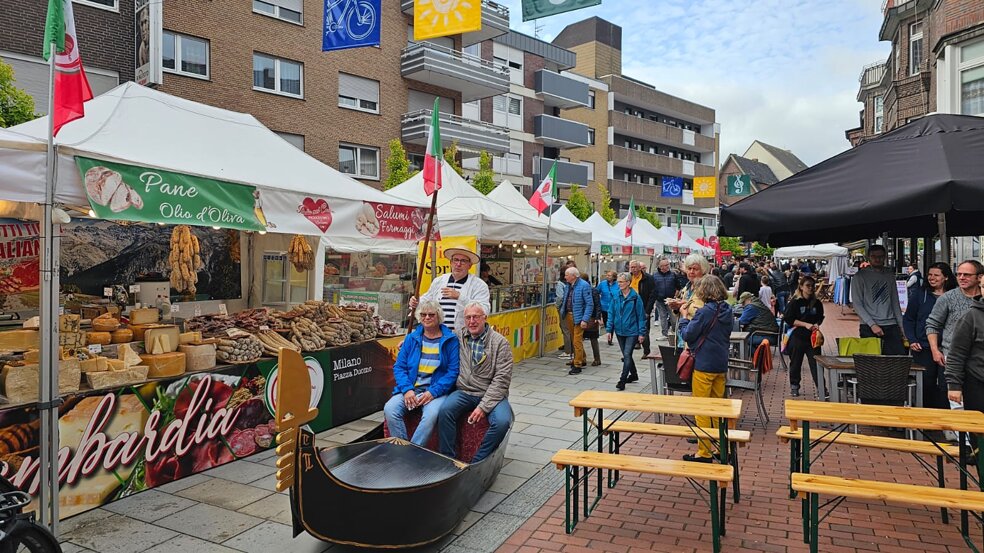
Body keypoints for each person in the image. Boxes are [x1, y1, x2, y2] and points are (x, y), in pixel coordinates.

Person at [437, 302, 513, 463]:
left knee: (502, 422)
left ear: (485, 318)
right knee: (445, 411)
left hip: (491, 393)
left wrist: (483, 407)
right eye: (468, 317)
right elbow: (434, 333)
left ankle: (478, 462)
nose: (472, 321)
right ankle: (447, 460)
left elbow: (502, 380)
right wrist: (408, 340)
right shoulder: (458, 337)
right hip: (464, 391)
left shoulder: (500, 343)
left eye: (476, 317)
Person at [383, 300, 460, 446]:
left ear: (439, 316)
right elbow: (399, 367)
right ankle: (403, 449)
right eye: (423, 314)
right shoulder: (411, 338)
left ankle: (413, 450)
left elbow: (452, 372)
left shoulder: (451, 340)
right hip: (411, 388)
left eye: (431, 314)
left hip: (436, 391)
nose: (427, 317)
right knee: (390, 409)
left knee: (431, 416)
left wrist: (433, 392)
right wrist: (407, 390)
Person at [678, 275, 733, 463]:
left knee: (701, 408)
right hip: (720, 363)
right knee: (717, 408)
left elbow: (688, 335)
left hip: (704, 363)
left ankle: (704, 452)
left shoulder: (704, 312)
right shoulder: (727, 309)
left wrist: (684, 318)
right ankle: (721, 447)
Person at [903, 262, 956, 409]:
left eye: (936, 275)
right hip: (923, 347)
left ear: (946, 277)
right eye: (930, 275)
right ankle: (927, 413)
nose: (932, 278)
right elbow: (908, 319)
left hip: (948, 348)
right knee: (926, 384)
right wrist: (912, 339)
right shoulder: (920, 294)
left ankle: (945, 414)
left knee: (946, 384)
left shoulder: (955, 295)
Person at [410, 247, 490, 332]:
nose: (458, 264)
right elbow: (427, 301)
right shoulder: (439, 281)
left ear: (469, 265)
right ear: (451, 262)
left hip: (464, 335)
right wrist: (417, 302)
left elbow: (484, 311)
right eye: (455, 260)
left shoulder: (479, 285)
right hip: (438, 334)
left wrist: (459, 297)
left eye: (463, 261)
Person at [926, 260, 984, 371]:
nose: (961, 278)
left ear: (979, 277)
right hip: (952, 358)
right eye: (959, 274)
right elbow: (932, 325)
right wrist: (935, 351)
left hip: (979, 360)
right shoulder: (947, 298)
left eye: (966, 275)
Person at [851, 245, 906, 355]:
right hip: (869, 326)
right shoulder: (860, 276)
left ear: (885, 257)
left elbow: (895, 302)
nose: (877, 259)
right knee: (872, 362)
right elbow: (857, 304)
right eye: (874, 256)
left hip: (891, 324)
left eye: (880, 256)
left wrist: (902, 326)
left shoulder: (889, 275)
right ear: (868, 257)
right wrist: (872, 324)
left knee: (897, 359)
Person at [944, 276, 984, 422]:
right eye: (983, 287)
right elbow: (956, 354)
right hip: (978, 383)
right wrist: (954, 386)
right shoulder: (970, 317)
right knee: (978, 430)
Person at [783, 275, 824, 397]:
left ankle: (822, 388)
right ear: (801, 287)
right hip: (797, 336)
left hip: (812, 337)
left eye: (812, 286)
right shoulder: (795, 302)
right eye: (807, 285)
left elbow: (820, 317)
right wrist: (805, 324)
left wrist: (816, 324)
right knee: (796, 363)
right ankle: (794, 386)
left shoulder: (817, 303)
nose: (810, 288)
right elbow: (789, 319)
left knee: (816, 363)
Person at [606, 272, 645, 390]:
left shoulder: (635, 297)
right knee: (626, 355)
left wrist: (641, 333)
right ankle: (634, 375)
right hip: (619, 331)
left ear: (628, 282)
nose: (619, 284)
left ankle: (622, 380)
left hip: (632, 331)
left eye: (621, 282)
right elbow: (611, 313)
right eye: (618, 282)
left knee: (627, 354)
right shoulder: (615, 296)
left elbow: (641, 316)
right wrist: (609, 330)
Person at [667, 254, 710, 346]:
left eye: (695, 269)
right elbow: (682, 312)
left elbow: (706, 312)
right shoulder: (687, 287)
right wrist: (676, 307)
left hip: (698, 337)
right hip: (684, 335)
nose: (691, 272)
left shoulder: (706, 288)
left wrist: (684, 305)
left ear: (703, 270)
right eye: (689, 268)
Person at [559, 267, 593, 374]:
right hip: (569, 314)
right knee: (574, 338)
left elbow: (589, 304)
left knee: (577, 340)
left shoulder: (584, 285)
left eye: (567, 275)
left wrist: (585, 319)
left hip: (579, 316)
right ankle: (582, 358)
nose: (565, 277)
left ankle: (577, 364)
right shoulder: (568, 285)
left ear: (573, 276)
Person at [628, 260, 656, 355]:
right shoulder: (628, 277)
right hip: (630, 308)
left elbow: (652, 295)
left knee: (644, 329)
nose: (633, 269)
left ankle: (646, 351)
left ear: (640, 268)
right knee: (631, 329)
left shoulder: (648, 278)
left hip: (643, 307)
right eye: (631, 267)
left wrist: (648, 311)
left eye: (635, 267)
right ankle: (628, 353)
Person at [652, 258, 680, 340]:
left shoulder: (673, 274)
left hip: (671, 300)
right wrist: (654, 298)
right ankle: (664, 334)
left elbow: (678, 287)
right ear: (660, 266)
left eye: (668, 264)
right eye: (665, 265)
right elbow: (652, 288)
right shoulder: (655, 275)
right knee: (663, 317)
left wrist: (675, 296)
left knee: (673, 318)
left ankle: (674, 333)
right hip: (660, 300)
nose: (668, 266)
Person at [582, 274, 602, 367]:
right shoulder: (581, 289)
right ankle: (582, 358)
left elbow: (597, 304)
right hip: (583, 316)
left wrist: (597, 317)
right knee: (579, 338)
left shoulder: (593, 290)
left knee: (593, 338)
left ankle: (597, 359)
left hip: (592, 317)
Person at [596, 271, 619, 346]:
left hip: (615, 307)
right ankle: (609, 334)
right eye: (607, 275)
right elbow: (596, 292)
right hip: (604, 306)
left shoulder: (618, 284)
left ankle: (610, 338)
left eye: (609, 275)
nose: (607, 276)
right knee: (606, 322)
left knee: (612, 323)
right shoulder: (602, 284)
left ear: (614, 277)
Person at [555, 272, 572, 359]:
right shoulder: (570, 284)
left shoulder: (560, 284)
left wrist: (557, 306)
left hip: (564, 309)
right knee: (569, 330)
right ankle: (571, 349)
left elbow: (560, 297)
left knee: (565, 329)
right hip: (570, 309)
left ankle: (568, 351)